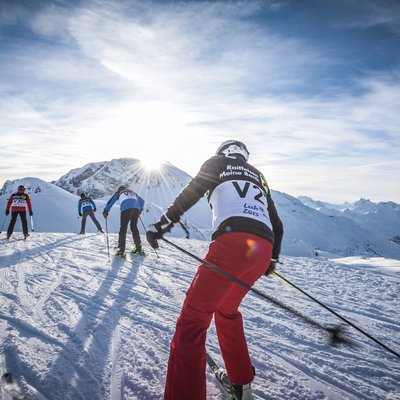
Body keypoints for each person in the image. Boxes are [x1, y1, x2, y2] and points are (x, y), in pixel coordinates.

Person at [146, 140, 283, 400]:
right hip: (262, 248)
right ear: (244, 155)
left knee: (192, 321)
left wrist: (163, 224)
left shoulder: (217, 163)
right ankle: (242, 385)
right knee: (227, 310)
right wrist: (271, 260)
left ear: (223, 152)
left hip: (231, 244)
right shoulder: (258, 175)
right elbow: (276, 222)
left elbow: (193, 191)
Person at [102, 185, 145, 258]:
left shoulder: (119, 193)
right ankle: (139, 248)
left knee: (123, 228)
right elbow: (142, 201)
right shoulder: (133, 192)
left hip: (126, 209)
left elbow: (110, 202)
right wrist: (140, 210)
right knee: (134, 227)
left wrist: (106, 211)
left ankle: (121, 250)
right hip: (136, 209)